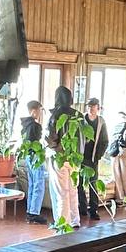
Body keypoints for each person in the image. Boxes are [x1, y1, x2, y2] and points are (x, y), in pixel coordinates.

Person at [46, 86, 81, 228]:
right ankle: (75, 220)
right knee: (73, 190)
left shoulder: (56, 115)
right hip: (76, 159)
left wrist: (55, 148)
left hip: (59, 158)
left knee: (61, 192)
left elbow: (50, 138)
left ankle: (63, 223)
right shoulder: (78, 115)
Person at [77, 98, 109, 222]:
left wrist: (98, 156)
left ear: (98, 108)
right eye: (89, 106)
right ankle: (82, 208)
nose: (91, 108)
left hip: (93, 157)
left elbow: (105, 141)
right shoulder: (81, 120)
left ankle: (94, 209)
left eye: (93, 106)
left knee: (93, 183)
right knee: (80, 183)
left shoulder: (101, 122)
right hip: (81, 156)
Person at [20, 100, 48, 224]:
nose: (40, 113)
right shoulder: (35, 126)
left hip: (28, 156)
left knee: (32, 184)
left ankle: (30, 211)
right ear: (34, 110)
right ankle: (34, 213)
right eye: (39, 110)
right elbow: (36, 142)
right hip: (36, 155)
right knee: (38, 184)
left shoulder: (25, 125)